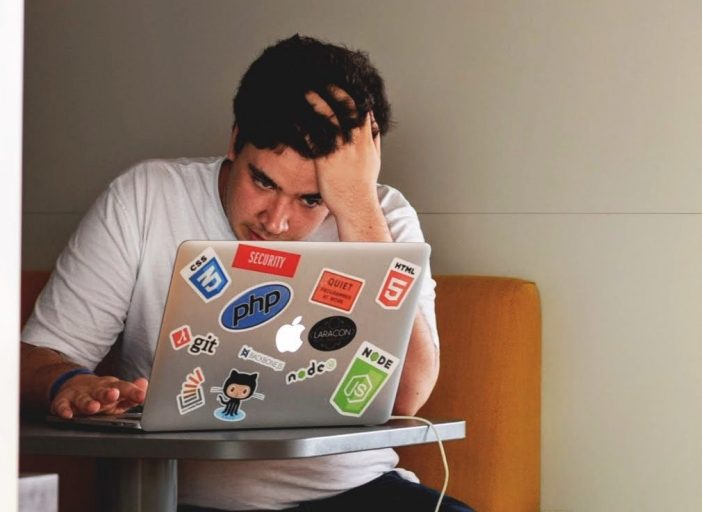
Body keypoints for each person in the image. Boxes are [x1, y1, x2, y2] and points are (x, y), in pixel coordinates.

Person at [19, 34, 472, 511]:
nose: (276, 222)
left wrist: (357, 207)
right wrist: (66, 383)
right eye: (263, 181)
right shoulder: (146, 198)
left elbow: (408, 397)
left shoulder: (381, 216)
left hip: (354, 492)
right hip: (174, 498)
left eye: (312, 199)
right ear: (235, 139)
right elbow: (34, 360)